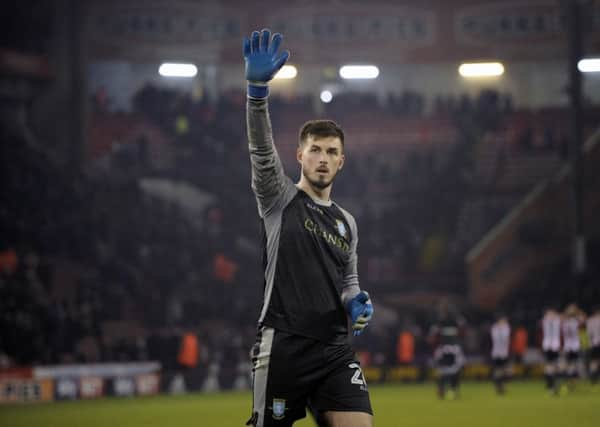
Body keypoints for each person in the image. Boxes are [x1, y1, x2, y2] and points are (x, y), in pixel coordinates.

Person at [243, 29, 374, 427]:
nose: (322, 158)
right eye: (315, 149)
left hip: (335, 349)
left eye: (331, 152)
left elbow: (348, 279)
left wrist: (355, 301)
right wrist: (256, 91)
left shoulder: (346, 222)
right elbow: (261, 150)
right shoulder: (278, 198)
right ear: (299, 155)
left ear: (341, 162)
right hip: (285, 345)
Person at [428, 303, 465, 400]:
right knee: (451, 370)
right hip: (451, 348)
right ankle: (450, 389)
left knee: (444, 370)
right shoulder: (454, 321)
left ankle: (445, 389)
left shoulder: (442, 321)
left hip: (446, 348)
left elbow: (433, 334)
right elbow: (462, 331)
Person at [541, 307, 561, 395]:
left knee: (554, 367)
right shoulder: (546, 320)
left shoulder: (556, 319)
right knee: (550, 366)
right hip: (548, 345)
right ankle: (551, 385)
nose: (551, 315)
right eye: (549, 313)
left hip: (555, 346)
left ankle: (551, 385)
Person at [490, 313, 511, 395]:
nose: (504, 322)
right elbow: (499, 339)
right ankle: (498, 387)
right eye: (503, 320)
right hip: (496, 352)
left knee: (506, 371)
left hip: (504, 352)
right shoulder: (495, 328)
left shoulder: (506, 327)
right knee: (498, 371)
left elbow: (506, 339)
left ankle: (502, 386)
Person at [586, 305, 600, 384]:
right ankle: (594, 377)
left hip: (593, 343)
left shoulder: (590, 320)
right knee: (595, 361)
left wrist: (590, 343)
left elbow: (589, 334)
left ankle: (593, 378)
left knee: (594, 361)